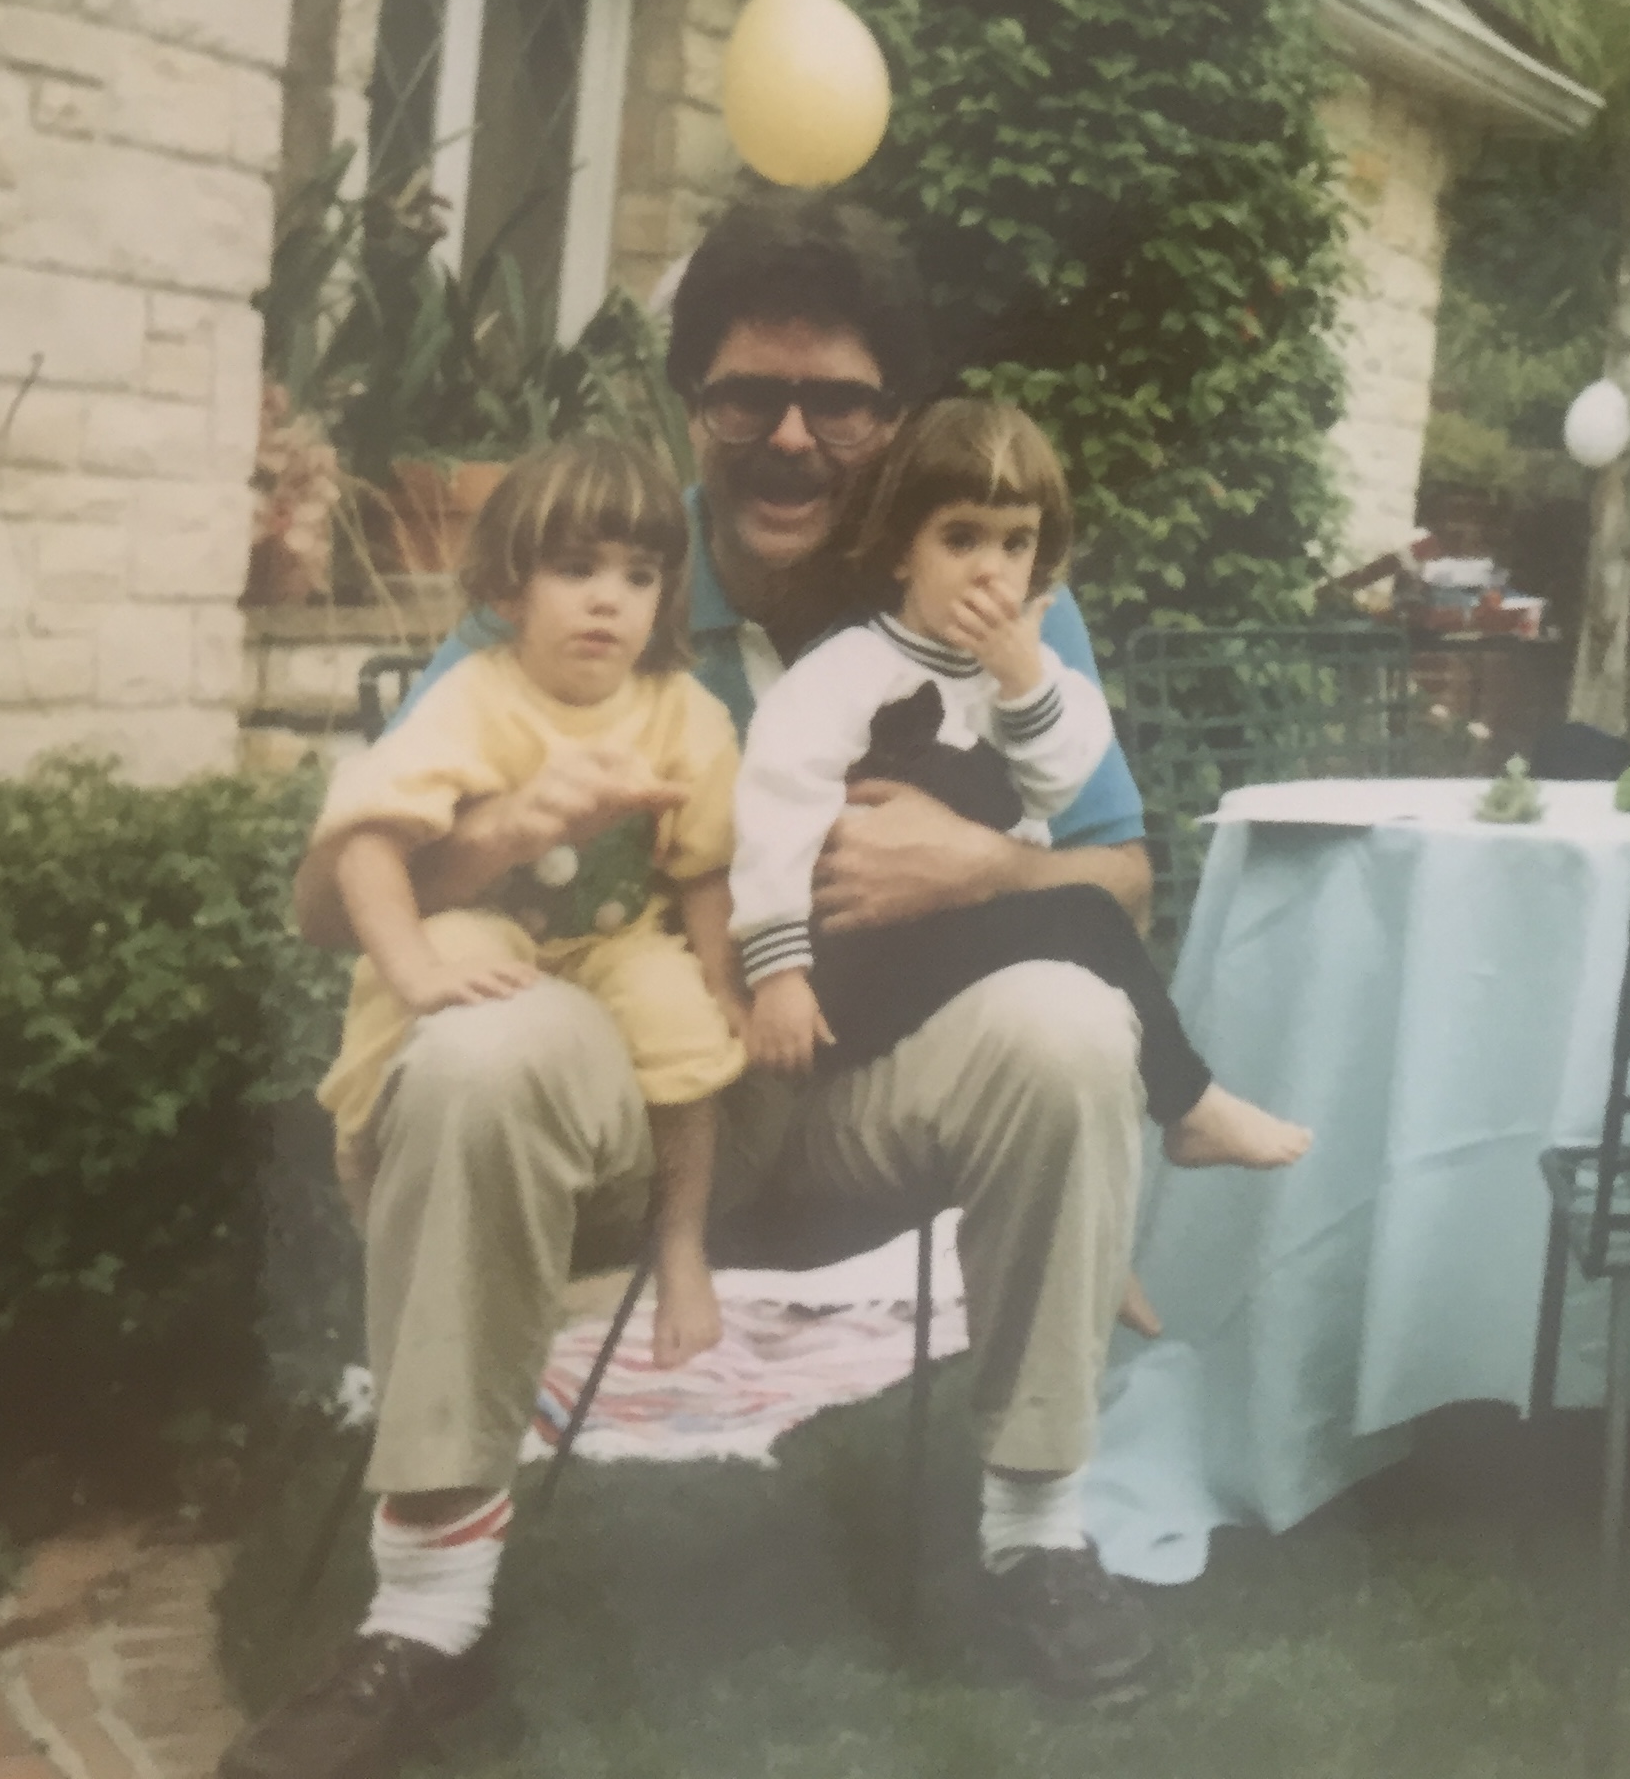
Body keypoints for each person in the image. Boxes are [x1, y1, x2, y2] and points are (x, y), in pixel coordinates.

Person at [236, 194, 1165, 1779]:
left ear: (896, 419)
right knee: (472, 1053)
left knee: (1071, 1021)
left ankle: (1037, 1540)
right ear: (691, 407)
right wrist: (500, 837)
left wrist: (977, 868)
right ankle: (429, 1618)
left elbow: (1124, 875)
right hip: (641, 1106)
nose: (790, 439)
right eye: (748, 396)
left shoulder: (986, 578)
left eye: (838, 403)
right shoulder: (599, 567)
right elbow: (333, 902)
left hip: (873, 1096)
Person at [734, 395, 1312, 1177]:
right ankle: (1189, 1106)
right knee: (1080, 914)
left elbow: (1056, 786)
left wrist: (1021, 683)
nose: (990, 568)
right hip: (850, 969)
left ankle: (1177, 1108)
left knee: (1083, 915)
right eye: (961, 538)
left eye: (1016, 543)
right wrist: (779, 973)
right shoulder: (846, 671)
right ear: (903, 552)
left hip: (958, 957)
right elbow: (774, 808)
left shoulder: (1034, 679)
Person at [313, 438, 744, 1376]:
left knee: (683, 1023)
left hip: (616, 937)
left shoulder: (682, 710)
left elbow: (704, 869)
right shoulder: (475, 695)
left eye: (637, 577)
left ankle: (680, 1244)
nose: (607, 600)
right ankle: (367, 1162)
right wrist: (414, 968)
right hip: (495, 921)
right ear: (509, 590)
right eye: (576, 569)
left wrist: (723, 986)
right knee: (435, 979)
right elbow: (366, 842)